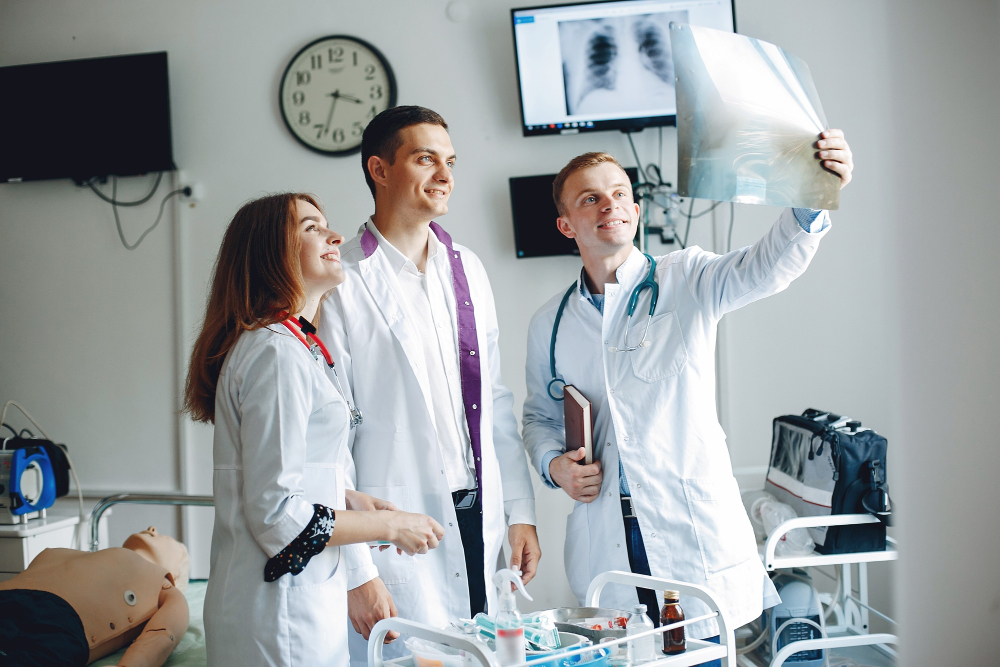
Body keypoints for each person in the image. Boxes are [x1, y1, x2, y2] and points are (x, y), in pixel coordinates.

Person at [521, 132, 854, 662]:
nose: (610, 204)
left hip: (684, 525)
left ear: (634, 208)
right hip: (607, 528)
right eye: (591, 198)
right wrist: (554, 465)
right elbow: (539, 414)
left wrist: (812, 197)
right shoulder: (551, 323)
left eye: (620, 193)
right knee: (620, 655)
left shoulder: (688, 277)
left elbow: (767, 266)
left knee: (699, 657)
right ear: (567, 225)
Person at [317, 106, 541, 664]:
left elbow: (493, 399)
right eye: (425, 159)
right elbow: (328, 441)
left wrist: (519, 510)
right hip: (393, 527)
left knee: (485, 654)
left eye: (450, 161)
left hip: (477, 513)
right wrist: (359, 571)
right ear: (380, 169)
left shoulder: (466, 268)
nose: (445, 175)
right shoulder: (340, 282)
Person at [184, 193, 444, 666]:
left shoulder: (297, 345)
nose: (335, 236)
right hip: (276, 616)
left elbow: (299, 468)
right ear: (270, 253)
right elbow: (278, 515)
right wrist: (390, 525)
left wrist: (349, 498)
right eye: (310, 228)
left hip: (300, 603)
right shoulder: (274, 352)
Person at [0, 526, 189, 667]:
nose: (152, 531)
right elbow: (163, 634)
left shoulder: (65, 555)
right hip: (60, 618)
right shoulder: (163, 585)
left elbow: (163, 633)